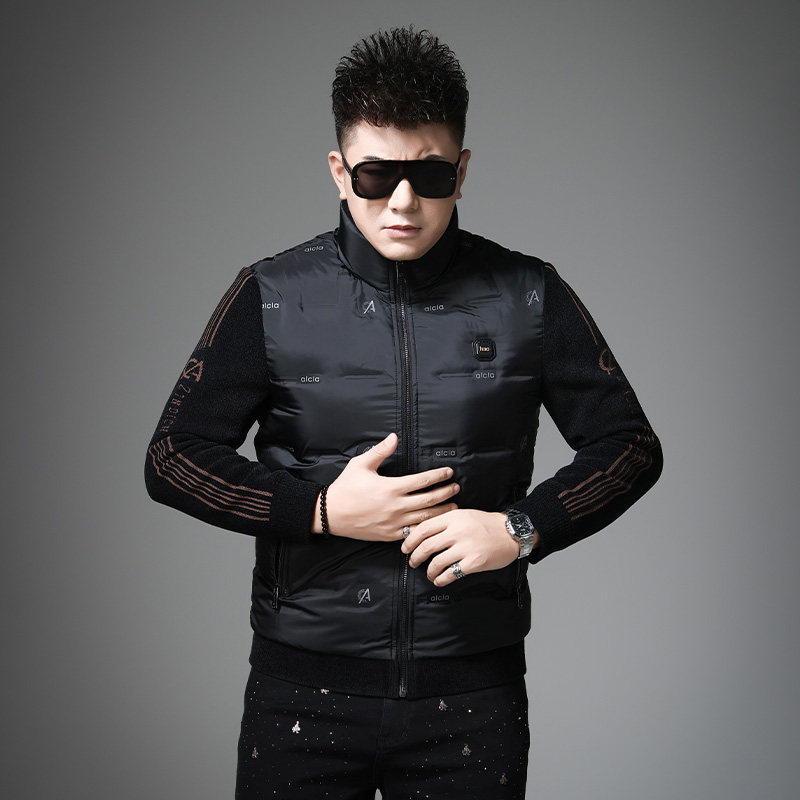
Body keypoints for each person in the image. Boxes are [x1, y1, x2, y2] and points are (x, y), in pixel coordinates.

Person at [144, 25, 663, 799]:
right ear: (338, 171)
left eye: (429, 175)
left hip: (472, 698)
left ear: (462, 170)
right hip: (302, 697)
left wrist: (520, 529)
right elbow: (173, 457)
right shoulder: (271, 295)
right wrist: (319, 510)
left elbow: (628, 445)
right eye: (377, 175)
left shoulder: (528, 294)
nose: (403, 202)